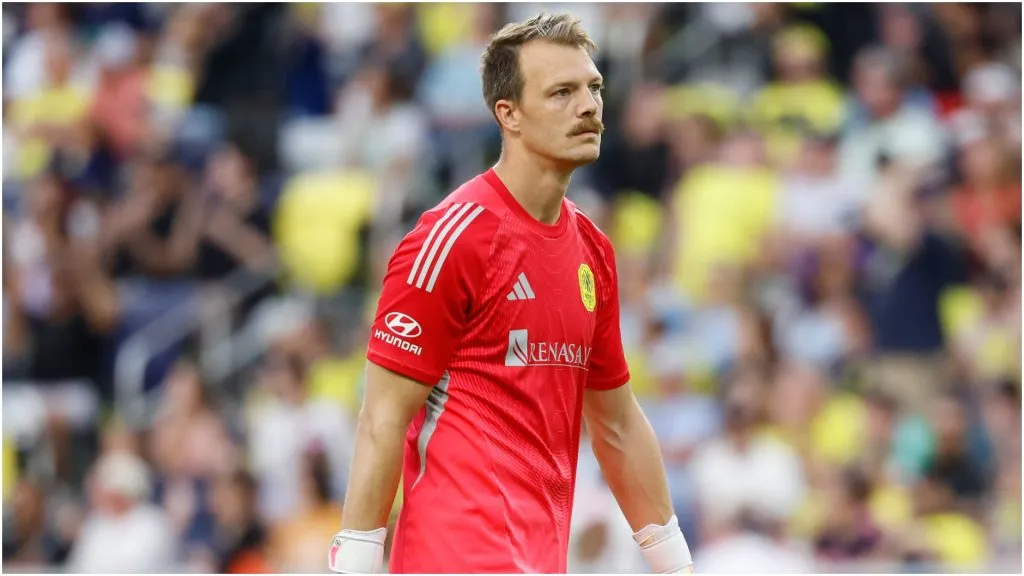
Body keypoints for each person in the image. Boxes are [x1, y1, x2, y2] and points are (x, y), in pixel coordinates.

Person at [327, 13, 692, 575]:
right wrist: (353, 561)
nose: (590, 106)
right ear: (509, 114)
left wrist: (674, 562)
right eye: (562, 93)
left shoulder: (592, 250)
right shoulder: (452, 238)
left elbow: (616, 422)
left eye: (593, 88)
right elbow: (382, 417)